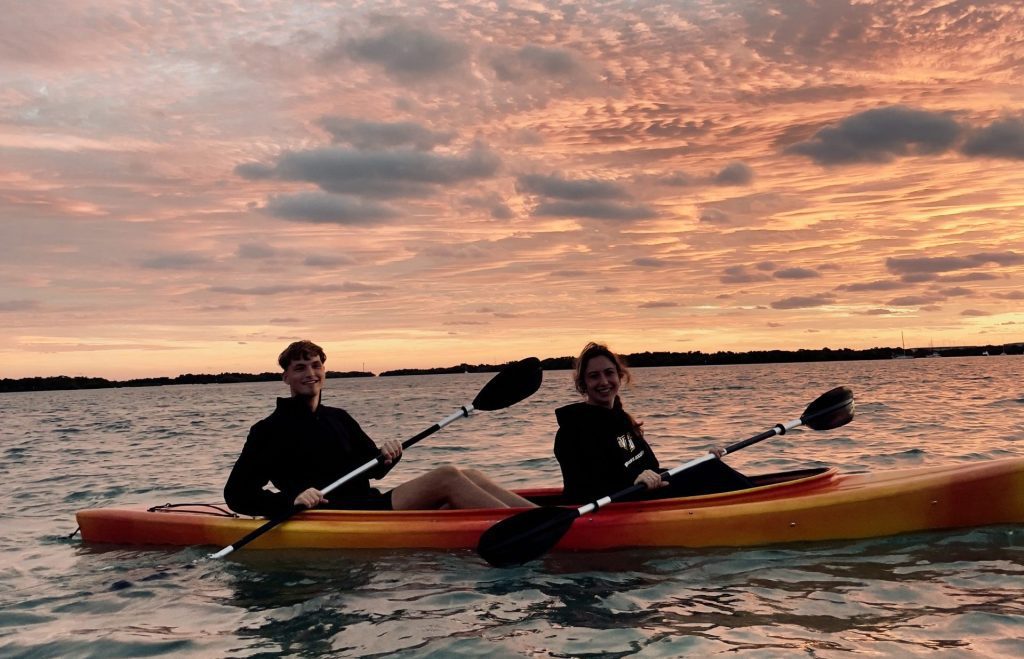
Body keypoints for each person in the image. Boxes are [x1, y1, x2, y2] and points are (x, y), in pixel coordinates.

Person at [224, 340, 535, 517]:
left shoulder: (338, 417)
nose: (311, 373)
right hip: (339, 515)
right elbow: (237, 495)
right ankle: (529, 524)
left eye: (316, 365)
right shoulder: (269, 430)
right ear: (286, 378)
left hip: (366, 502)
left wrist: (387, 456)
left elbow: (371, 468)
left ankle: (544, 516)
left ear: (324, 370)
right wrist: (289, 501)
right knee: (448, 476)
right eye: (300, 368)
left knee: (471, 475)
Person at [553, 342, 753, 504]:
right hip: (616, 506)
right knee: (710, 472)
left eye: (609, 373)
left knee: (709, 466)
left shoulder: (622, 419)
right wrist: (634, 483)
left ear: (620, 376)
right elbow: (584, 491)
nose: (604, 381)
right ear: (583, 384)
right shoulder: (573, 430)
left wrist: (698, 462)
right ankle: (760, 502)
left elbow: (651, 467)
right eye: (594, 376)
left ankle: (760, 497)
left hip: (643, 494)